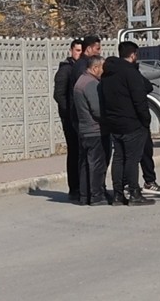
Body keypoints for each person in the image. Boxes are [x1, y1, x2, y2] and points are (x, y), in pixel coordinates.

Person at [100, 41, 155, 206]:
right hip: (132, 122)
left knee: (119, 158)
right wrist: (145, 120)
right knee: (132, 159)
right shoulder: (130, 73)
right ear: (133, 55)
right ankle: (134, 192)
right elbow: (140, 99)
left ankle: (118, 194)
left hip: (114, 122)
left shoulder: (107, 73)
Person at [71, 56, 109, 206]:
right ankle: (96, 195)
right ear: (95, 68)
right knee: (97, 164)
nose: (103, 72)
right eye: (102, 68)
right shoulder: (91, 84)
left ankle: (84, 195)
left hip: (84, 129)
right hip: (95, 129)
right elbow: (97, 109)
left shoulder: (80, 81)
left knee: (85, 164)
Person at [52, 38, 83, 202]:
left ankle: (83, 186)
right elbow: (58, 94)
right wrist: (69, 112)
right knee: (74, 152)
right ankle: (74, 188)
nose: (79, 53)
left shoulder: (82, 67)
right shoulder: (66, 69)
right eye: (77, 50)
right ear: (71, 50)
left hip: (81, 117)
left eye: (81, 50)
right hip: (70, 119)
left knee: (82, 152)